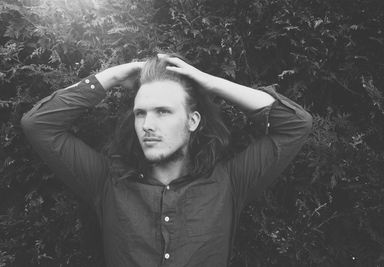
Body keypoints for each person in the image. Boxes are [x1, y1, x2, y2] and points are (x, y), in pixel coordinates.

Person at [21, 53, 313, 267]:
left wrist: (209, 82)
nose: (147, 124)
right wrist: (116, 74)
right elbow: (38, 124)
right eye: (140, 113)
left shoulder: (229, 183)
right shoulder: (106, 181)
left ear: (193, 120)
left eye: (163, 111)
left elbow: (295, 124)